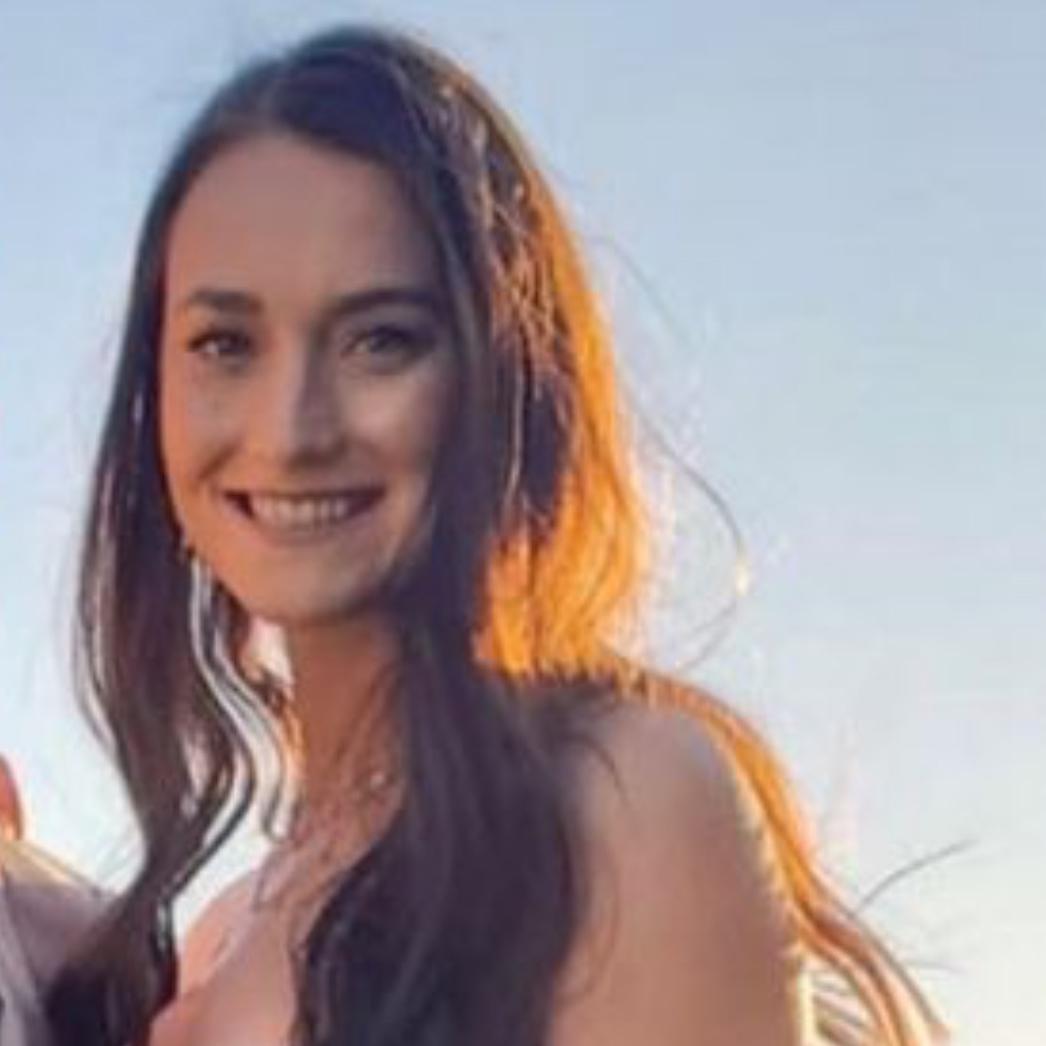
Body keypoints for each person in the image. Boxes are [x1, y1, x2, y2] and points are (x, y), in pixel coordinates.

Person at [0, 25, 947, 1046]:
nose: (290, 429)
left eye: (381, 340)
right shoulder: (215, 935)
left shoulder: (620, 804)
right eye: (226, 343)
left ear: (500, 377)